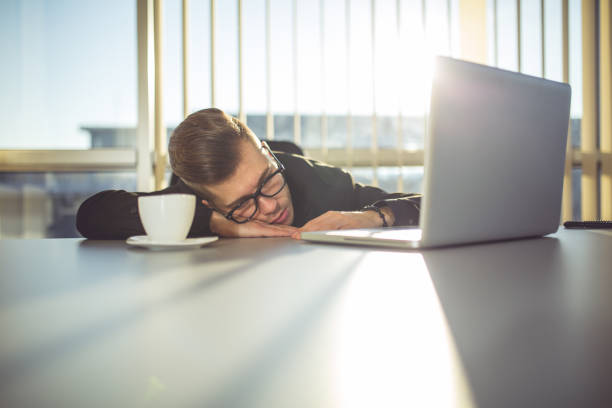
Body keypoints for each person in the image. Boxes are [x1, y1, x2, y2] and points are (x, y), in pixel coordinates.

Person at [76, 108, 421, 239]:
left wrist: (377, 217)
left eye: (268, 181)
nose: (270, 208)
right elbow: (91, 215)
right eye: (243, 204)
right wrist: (214, 224)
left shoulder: (325, 184)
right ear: (209, 202)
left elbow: (431, 205)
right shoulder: (190, 203)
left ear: (269, 154)